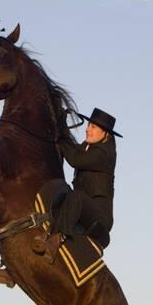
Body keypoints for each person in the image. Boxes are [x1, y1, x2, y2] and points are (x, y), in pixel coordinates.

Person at [32, 107, 122, 264]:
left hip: (100, 218)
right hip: (79, 208)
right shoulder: (87, 147)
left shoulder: (105, 153)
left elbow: (75, 159)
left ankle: (53, 242)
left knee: (75, 196)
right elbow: (71, 148)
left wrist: (61, 134)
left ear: (105, 134)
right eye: (88, 125)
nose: (88, 129)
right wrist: (61, 125)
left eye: (93, 127)